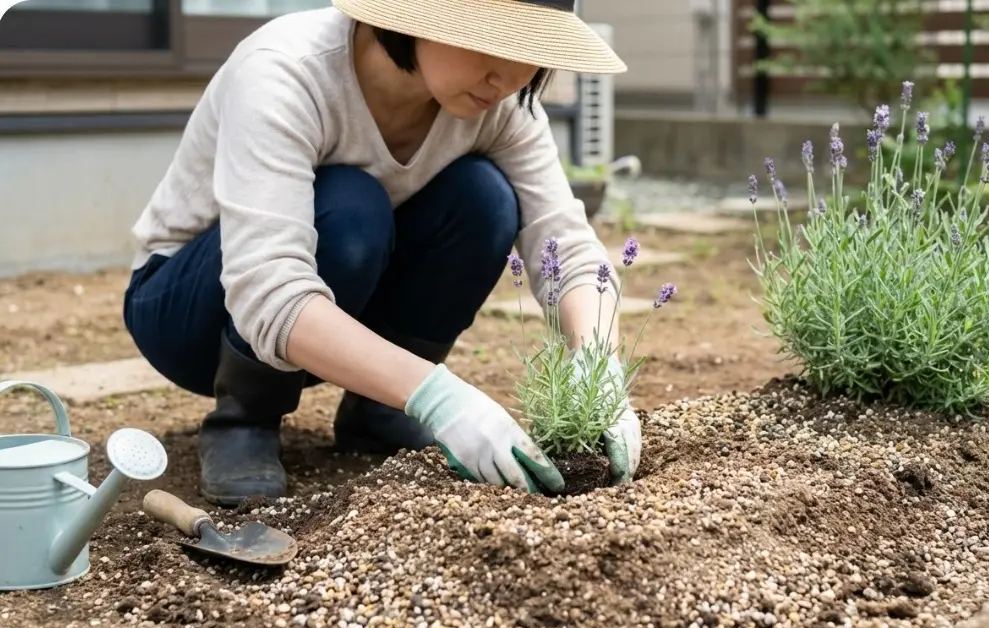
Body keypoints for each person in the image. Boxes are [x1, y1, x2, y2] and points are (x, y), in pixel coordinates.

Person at [121, 0, 643, 507]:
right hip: (190, 315)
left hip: (337, 308)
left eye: (532, 50)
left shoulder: (501, 107)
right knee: (351, 206)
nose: (508, 78)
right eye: (493, 42)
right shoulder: (286, 70)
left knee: (484, 199)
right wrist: (438, 396)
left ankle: (378, 410)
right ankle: (246, 418)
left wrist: (598, 367)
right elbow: (267, 290)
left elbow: (566, 247)